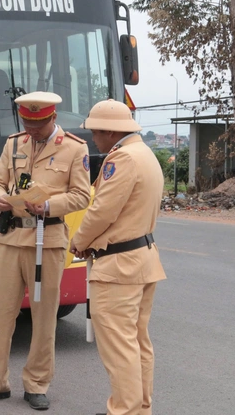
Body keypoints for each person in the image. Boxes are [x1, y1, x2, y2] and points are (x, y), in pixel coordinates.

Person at [0, 91, 91, 410]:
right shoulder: (13, 144)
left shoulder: (75, 149)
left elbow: (81, 195)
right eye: (27, 123)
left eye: (39, 124)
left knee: (44, 316)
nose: (32, 130)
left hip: (47, 240)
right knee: (0, 315)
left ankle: (36, 383)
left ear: (53, 119)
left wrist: (48, 205)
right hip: (10, 239)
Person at [69, 99, 166, 415]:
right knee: (137, 343)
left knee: (120, 346)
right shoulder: (145, 154)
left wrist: (79, 241)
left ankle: (124, 410)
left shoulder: (121, 160)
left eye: (95, 132)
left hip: (119, 266)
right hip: (142, 258)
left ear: (110, 132)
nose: (92, 138)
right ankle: (139, 408)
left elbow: (101, 212)